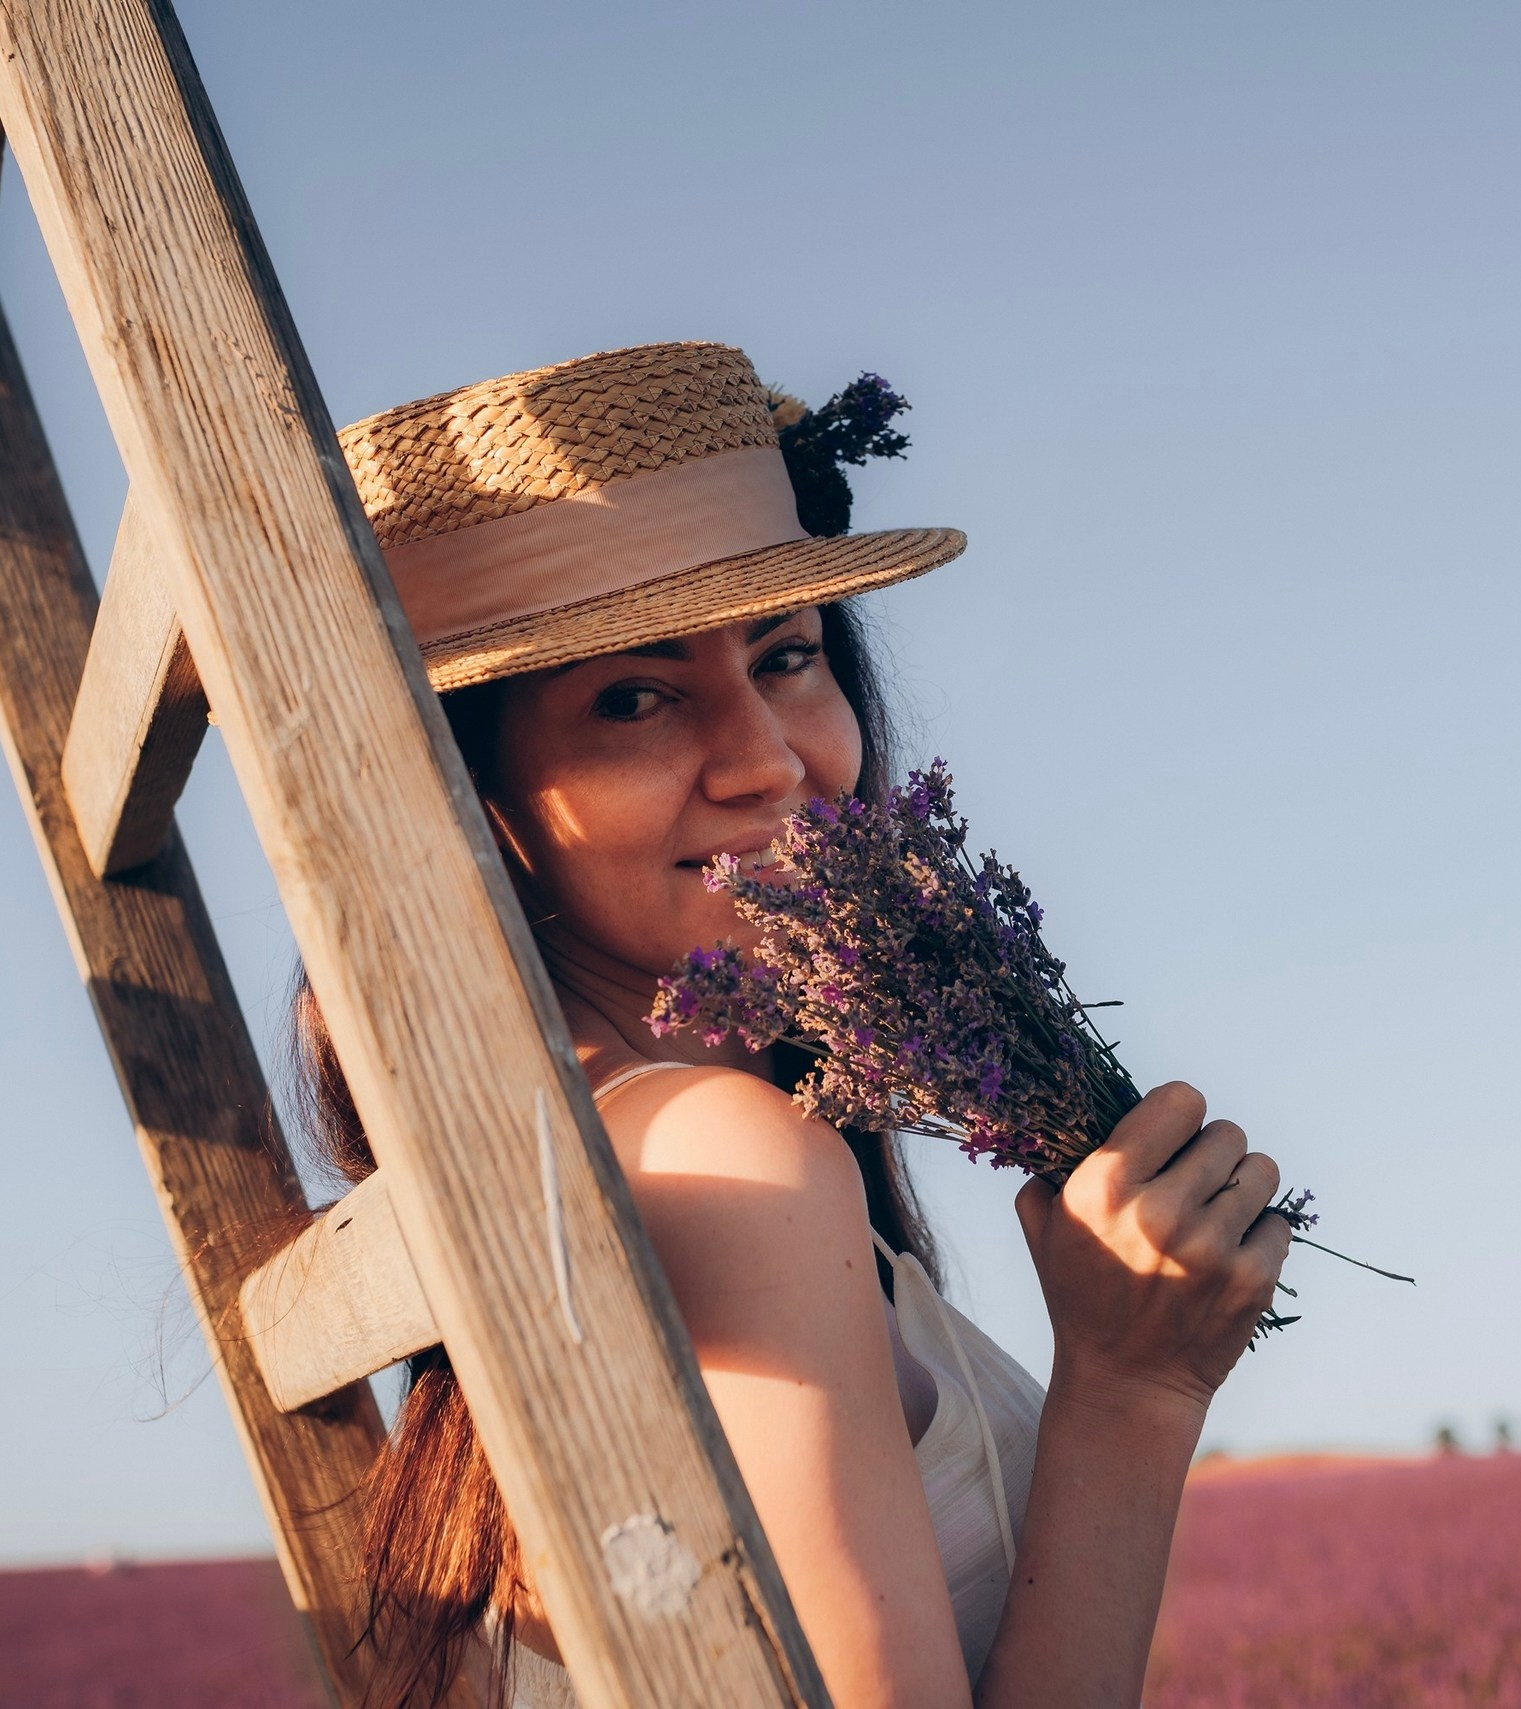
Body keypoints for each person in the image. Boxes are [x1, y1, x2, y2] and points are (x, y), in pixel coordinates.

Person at [288, 342, 1293, 1709]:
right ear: (473, 795)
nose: (767, 756)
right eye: (632, 696)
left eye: (787, 655)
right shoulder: (735, 1168)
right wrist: (1133, 1390)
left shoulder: (606, 1149)